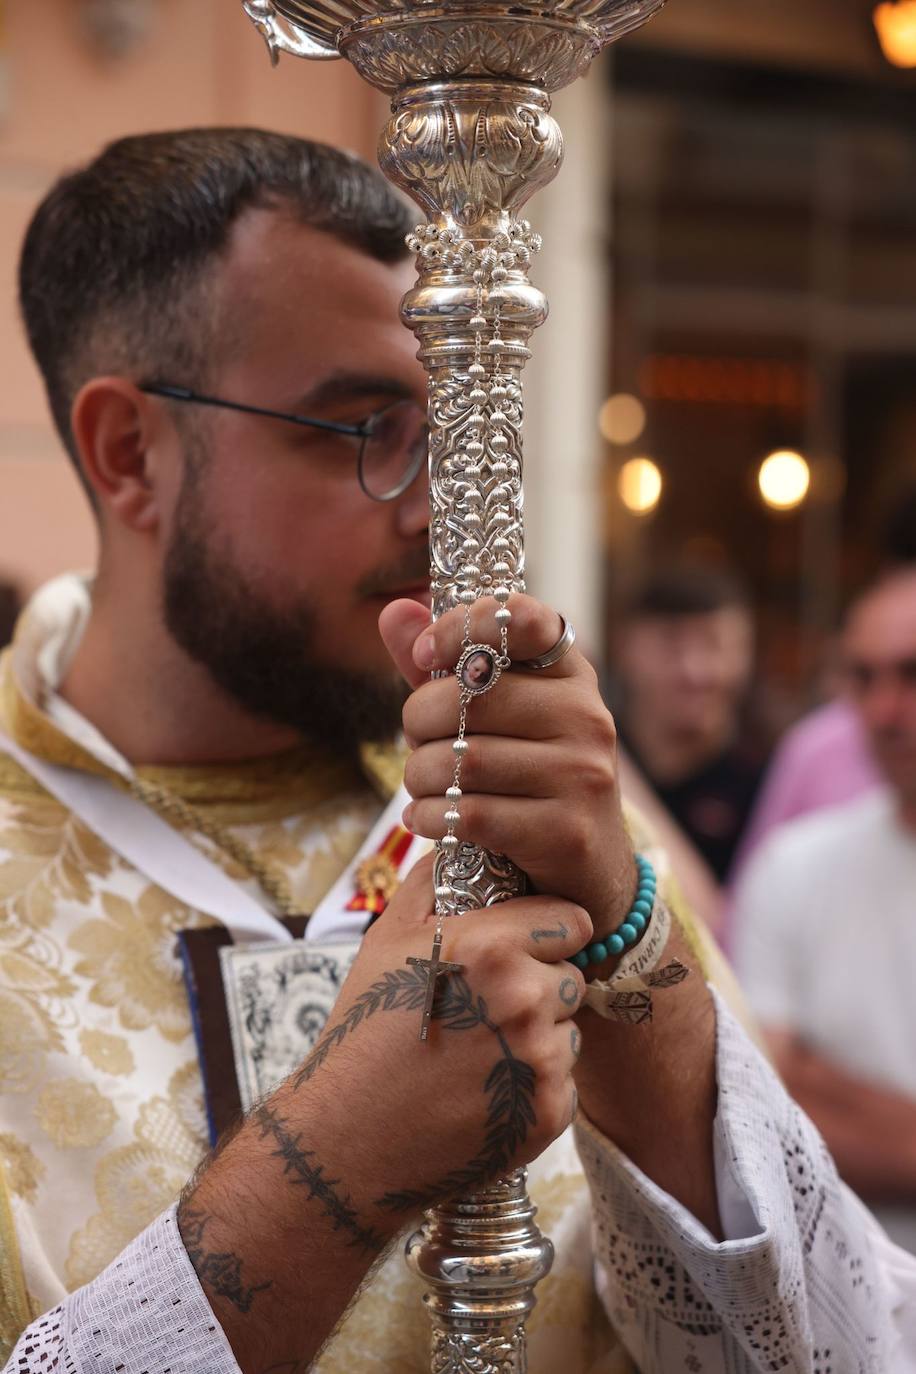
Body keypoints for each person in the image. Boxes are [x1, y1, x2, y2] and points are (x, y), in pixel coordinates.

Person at [0, 128, 912, 1374]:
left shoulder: (531, 809)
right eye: (364, 427)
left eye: (454, 431)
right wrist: (339, 1162)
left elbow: (855, 1350)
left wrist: (633, 950)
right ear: (129, 454)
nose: (443, 510)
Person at [733, 564, 916, 1254]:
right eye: (863, 678)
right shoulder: (795, 865)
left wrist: (826, 1085)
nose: (884, 711)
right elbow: (758, 1100)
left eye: (911, 674)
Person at [609, 566, 765, 883]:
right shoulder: (590, 760)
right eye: (670, 646)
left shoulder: (767, 778)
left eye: (714, 644)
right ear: (623, 648)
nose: (693, 671)